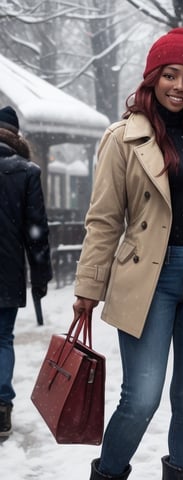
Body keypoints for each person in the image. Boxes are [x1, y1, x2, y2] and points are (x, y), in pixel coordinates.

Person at [73, 28, 183, 480]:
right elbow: (105, 219)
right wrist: (89, 287)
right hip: (150, 277)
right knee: (141, 398)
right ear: (152, 78)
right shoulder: (122, 138)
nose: (179, 87)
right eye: (170, 75)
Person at [0, 106, 52, 438]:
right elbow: (37, 231)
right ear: (17, 136)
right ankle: (2, 406)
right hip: (6, 270)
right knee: (2, 339)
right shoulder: (26, 172)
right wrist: (41, 275)